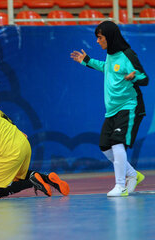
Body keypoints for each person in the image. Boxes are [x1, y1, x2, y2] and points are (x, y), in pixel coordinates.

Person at [70, 21, 148, 197]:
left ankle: (121, 186)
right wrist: (87, 61)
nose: (97, 41)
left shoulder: (128, 55)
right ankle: (133, 175)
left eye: (100, 37)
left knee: (117, 142)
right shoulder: (111, 55)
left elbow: (144, 78)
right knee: (105, 147)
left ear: (110, 37)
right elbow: (108, 69)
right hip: (112, 109)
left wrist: (134, 76)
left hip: (130, 106)